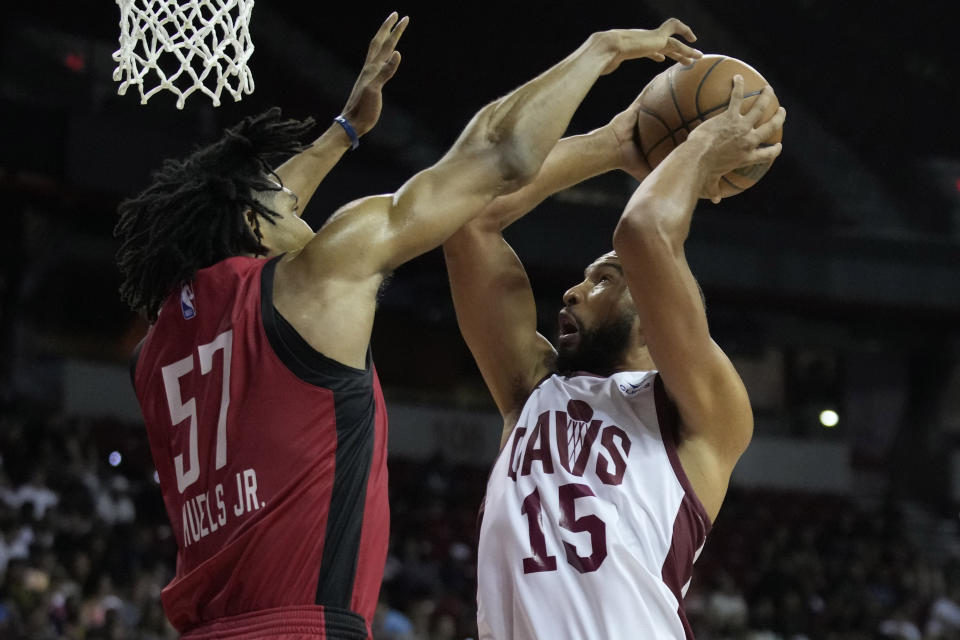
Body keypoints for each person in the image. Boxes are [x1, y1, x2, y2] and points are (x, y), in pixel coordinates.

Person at [114, 9, 704, 639]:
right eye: (290, 204)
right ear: (256, 227)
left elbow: (236, 221)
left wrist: (343, 131)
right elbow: (499, 154)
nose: (303, 210)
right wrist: (601, 49)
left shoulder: (155, 351)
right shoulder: (315, 277)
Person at [443, 64, 785, 638]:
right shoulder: (531, 389)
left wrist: (702, 141)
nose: (573, 291)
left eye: (602, 280)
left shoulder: (704, 412)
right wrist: (616, 142)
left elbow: (644, 230)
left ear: (653, 317)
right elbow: (471, 219)